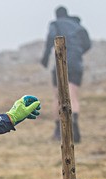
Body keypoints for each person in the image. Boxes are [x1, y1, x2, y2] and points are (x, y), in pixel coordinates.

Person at [41, 6, 91, 142]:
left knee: (58, 96)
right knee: (73, 95)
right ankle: (74, 122)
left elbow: (51, 38)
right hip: (76, 64)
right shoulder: (77, 26)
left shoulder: (55, 24)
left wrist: (45, 57)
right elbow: (87, 44)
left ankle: (58, 130)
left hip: (60, 62)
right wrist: (78, 53)